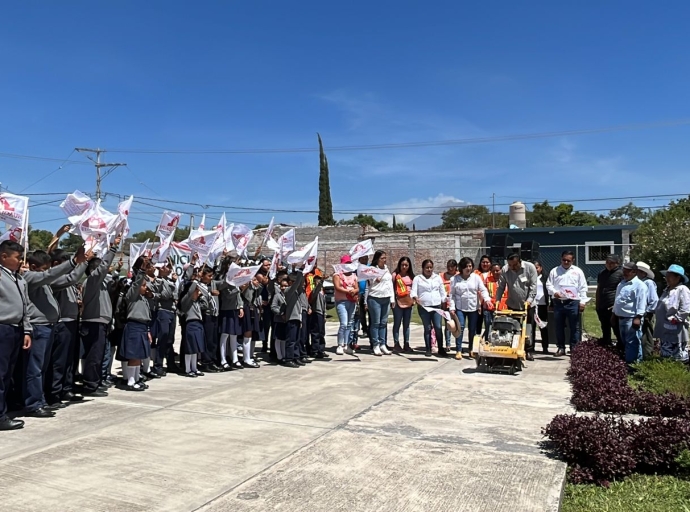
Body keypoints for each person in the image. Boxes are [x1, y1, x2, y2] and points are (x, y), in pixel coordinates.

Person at [22, 247, 84, 417]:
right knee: (34, 369)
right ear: (34, 267)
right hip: (38, 327)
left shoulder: (42, 279)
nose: (47, 272)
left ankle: (40, 399)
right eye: (44, 269)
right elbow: (48, 276)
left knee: (42, 368)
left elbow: (48, 276)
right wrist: (73, 262)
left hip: (48, 326)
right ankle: (33, 404)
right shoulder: (30, 277)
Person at [80, 237, 120, 397]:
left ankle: (95, 382)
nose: (108, 270)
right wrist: (113, 249)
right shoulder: (92, 281)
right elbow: (102, 268)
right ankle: (90, 385)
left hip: (101, 323)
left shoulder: (101, 284)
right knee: (93, 356)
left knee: (99, 355)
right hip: (93, 323)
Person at [0, 241, 33, 431]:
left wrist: (27, 330)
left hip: (16, 329)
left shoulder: (19, 279)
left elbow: (25, 307)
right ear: (4, 257)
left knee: (7, 375)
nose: (21, 261)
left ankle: (4, 410)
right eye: (17, 258)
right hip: (2, 328)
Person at [496, 253, 538, 360]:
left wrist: (528, 301)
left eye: (514, 265)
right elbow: (501, 287)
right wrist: (497, 300)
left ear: (519, 262)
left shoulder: (530, 268)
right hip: (512, 304)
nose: (512, 267)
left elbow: (533, 287)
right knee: (513, 327)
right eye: (510, 265)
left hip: (527, 305)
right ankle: (513, 348)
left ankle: (528, 350)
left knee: (528, 328)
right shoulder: (505, 270)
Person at [546, 250, 588, 357]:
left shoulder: (578, 271)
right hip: (558, 303)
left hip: (573, 303)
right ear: (561, 259)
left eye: (568, 260)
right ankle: (561, 348)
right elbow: (548, 285)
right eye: (564, 260)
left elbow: (583, 287)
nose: (565, 262)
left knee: (575, 327)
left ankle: (574, 349)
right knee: (559, 326)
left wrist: (582, 302)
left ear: (573, 260)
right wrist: (554, 293)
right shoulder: (554, 271)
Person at [119, 265, 155, 390]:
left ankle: (137, 379)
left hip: (143, 327)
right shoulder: (132, 295)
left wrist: (148, 330)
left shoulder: (143, 299)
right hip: (134, 326)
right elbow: (136, 284)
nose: (145, 288)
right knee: (134, 355)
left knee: (139, 355)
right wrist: (142, 271)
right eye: (144, 286)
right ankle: (130, 381)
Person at [449, 257, 492, 360]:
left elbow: (483, 290)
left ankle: (471, 349)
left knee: (472, 329)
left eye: (470, 266)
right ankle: (458, 350)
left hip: (473, 308)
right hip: (460, 307)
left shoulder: (476, 277)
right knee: (461, 327)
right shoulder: (454, 279)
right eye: (466, 266)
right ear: (462, 267)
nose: (468, 268)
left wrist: (487, 300)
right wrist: (452, 307)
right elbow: (452, 295)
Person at [612, 262, 647, 365]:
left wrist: (638, 317)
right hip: (621, 318)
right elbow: (617, 300)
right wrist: (614, 314)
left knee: (633, 343)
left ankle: (633, 364)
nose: (624, 273)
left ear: (634, 272)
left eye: (627, 271)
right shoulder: (621, 284)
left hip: (631, 318)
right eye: (624, 270)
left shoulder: (640, 285)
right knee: (625, 342)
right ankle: (631, 362)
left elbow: (642, 302)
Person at [410, 259, 447, 357]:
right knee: (427, 328)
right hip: (424, 307)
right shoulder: (418, 278)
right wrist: (415, 298)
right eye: (427, 267)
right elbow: (413, 291)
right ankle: (428, 348)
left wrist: (444, 301)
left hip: (436, 306)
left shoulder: (437, 278)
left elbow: (442, 291)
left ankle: (441, 348)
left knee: (438, 327)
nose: (429, 269)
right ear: (423, 268)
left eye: (431, 267)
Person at [654, 264, 690, 362]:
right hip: (664, 328)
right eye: (667, 276)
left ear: (678, 278)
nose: (667, 278)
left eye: (670, 276)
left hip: (675, 328)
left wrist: (676, 319)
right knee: (666, 355)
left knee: (677, 356)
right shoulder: (667, 290)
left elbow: (685, 309)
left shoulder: (682, 289)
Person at [365, 250, 395, 356]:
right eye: (382, 258)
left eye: (385, 258)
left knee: (383, 323)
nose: (384, 260)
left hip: (386, 298)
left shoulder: (386, 269)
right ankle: (375, 344)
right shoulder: (372, 269)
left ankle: (383, 344)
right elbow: (368, 286)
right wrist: (376, 278)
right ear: (377, 259)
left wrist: (392, 299)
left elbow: (389, 284)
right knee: (376, 323)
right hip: (374, 298)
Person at [595, 254, 623, 347]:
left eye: (612, 263)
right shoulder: (602, 273)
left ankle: (621, 346)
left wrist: (616, 305)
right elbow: (599, 288)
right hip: (602, 305)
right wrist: (597, 304)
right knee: (605, 327)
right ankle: (606, 346)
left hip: (613, 306)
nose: (609, 264)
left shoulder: (621, 273)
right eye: (607, 262)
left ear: (617, 263)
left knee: (616, 328)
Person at [333, 255, 359, 355]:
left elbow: (357, 288)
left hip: (351, 302)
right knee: (343, 323)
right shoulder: (337, 275)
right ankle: (340, 344)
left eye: (349, 263)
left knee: (349, 324)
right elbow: (337, 287)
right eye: (346, 263)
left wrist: (354, 291)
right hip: (341, 301)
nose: (347, 265)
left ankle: (346, 344)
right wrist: (349, 291)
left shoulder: (353, 275)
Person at [635, 262, 659, 359]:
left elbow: (654, 300)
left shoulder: (648, 283)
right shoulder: (638, 282)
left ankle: (647, 356)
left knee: (646, 334)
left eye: (638, 271)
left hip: (646, 314)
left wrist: (648, 313)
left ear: (643, 273)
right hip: (641, 313)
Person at [391, 256, 414, 353]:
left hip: (408, 302)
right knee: (397, 323)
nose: (404, 267)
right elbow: (391, 289)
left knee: (406, 324)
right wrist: (393, 301)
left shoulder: (412, 276)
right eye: (402, 265)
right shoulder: (395, 275)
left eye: (406, 265)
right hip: (398, 302)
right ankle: (396, 344)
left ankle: (406, 343)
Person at [482, 262, 508, 340]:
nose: (496, 272)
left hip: (503, 308)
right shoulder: (487, 280)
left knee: (502, 326)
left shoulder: (506, 280)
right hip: (489, 308)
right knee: (488, 325)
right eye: (493, 271)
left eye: (497, 270)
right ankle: (487, 340)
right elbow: (483, 291)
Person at [307, 274, 329, 359]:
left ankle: (321, 349)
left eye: (320, 280)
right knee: (316, 332)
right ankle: (315, 350)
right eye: (317, 280)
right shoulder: (314, 291)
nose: (319, 282)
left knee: (322, 333)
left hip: (321, 313)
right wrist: (321, 282)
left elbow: (324, 304)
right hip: (316, 313)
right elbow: (315, 292)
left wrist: (325, 315)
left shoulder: (322, 292)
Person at [439, 259, 457, 350]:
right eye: (448, 266)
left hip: (456, 304)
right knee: (448, 325)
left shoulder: (458, 276)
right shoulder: (441, 276)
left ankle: (458, 344)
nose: (450, 268)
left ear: (456, 267)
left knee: (458, 325)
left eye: (452, 267)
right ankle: (448, 344)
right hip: (445, 305)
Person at [533, 261, 550, 354]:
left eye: (537, 267)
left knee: (543, 326)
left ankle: (545, 347)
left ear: (540, 268)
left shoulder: (545, 278)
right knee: (531, 327)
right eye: (533, 267)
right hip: (532, 305)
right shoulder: (529, 278)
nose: (535, 269)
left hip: (542, 305)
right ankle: (531, 348)